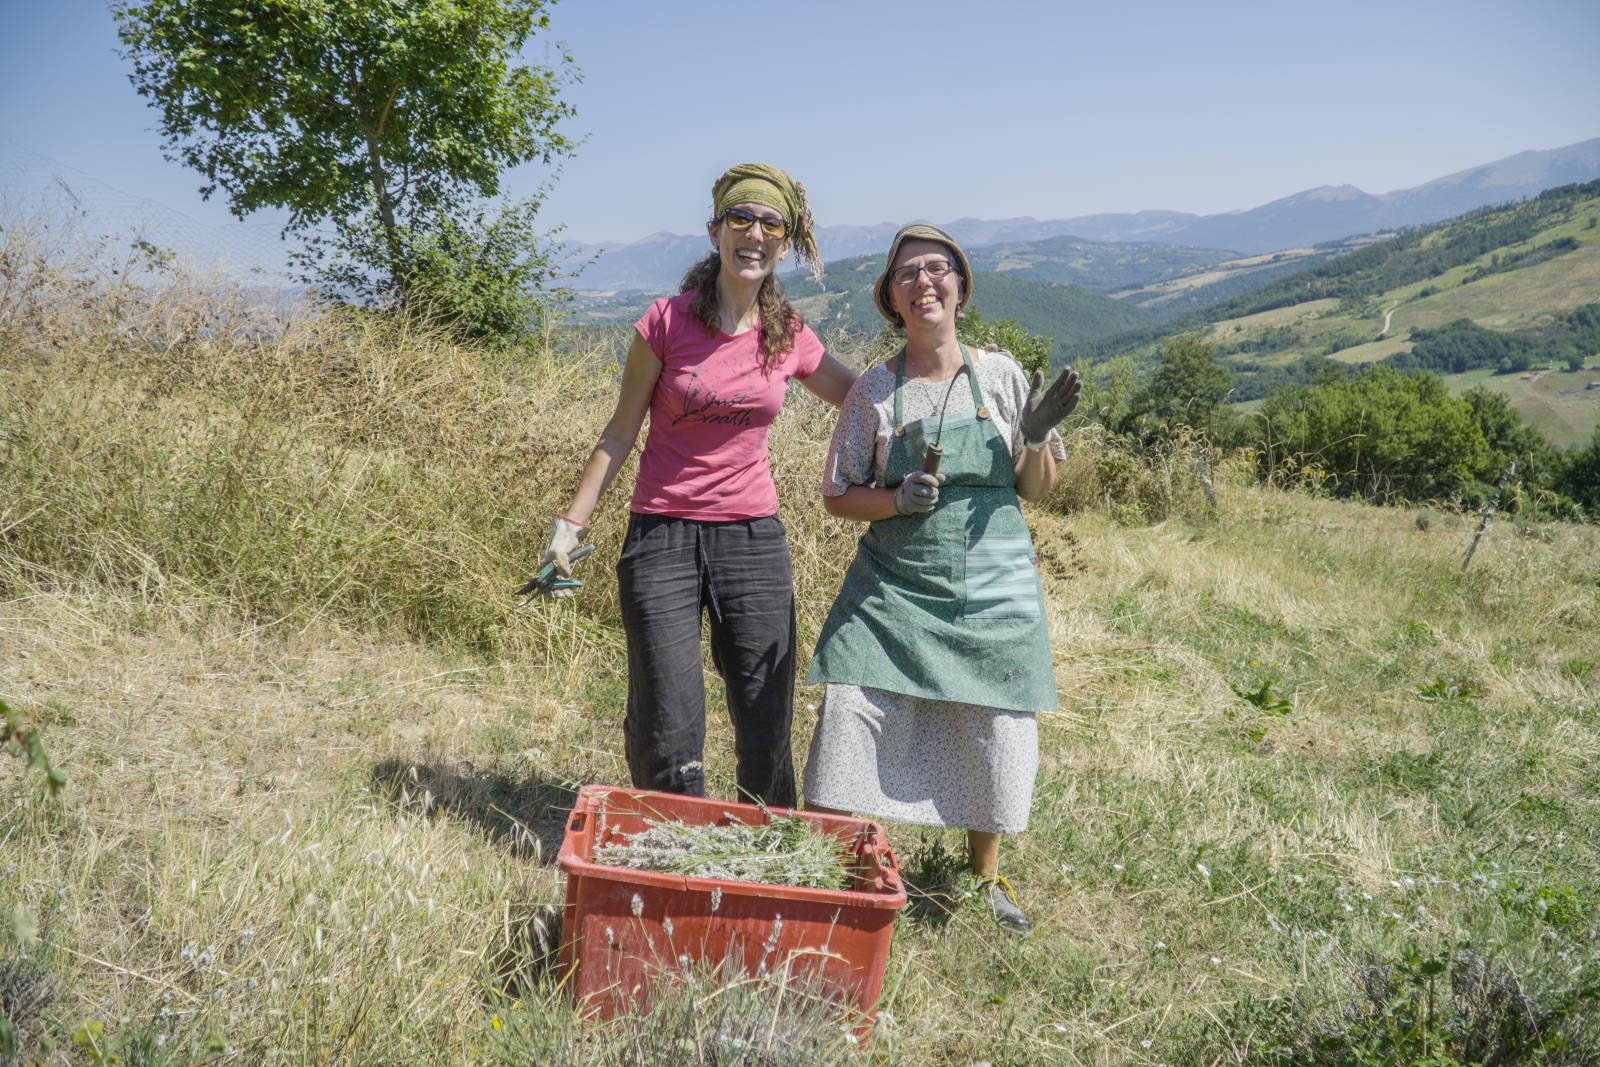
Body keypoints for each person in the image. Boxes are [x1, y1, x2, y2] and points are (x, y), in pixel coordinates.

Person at [540, 163, 855, 809]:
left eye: (771, 223)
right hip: (661, 535)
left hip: (753, 540)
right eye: (741, 218)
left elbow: (859, 398)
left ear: (785, 243)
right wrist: (571, 523)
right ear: (714, 231)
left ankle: (767, 842)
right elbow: (620, 430)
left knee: (766, 712)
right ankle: (673, 842)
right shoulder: (665, 323)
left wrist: (946, 384)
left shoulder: (788, 333)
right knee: (668, 716)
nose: (754, 233)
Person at [803, 224, 1081, 935]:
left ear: (961, 287)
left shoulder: (1001, 375)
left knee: (994, 726)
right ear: (891, 300)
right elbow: (837, 494)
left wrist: (1041, 436)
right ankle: (840, 868)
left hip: (994, 586)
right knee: (853, 709)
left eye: (938, 270)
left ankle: (982, 880)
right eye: (907, 275)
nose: (924, 282)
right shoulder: (873, 389)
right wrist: (895, 500)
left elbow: (1036, 490)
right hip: (893, 586)